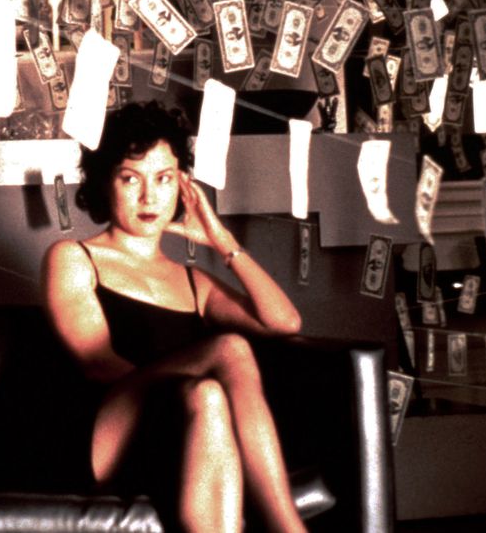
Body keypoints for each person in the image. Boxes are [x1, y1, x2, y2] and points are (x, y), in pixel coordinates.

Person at [42, 101, 306, 533]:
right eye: (131, 179)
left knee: (208, 396)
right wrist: (193, 370)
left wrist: (223, 242)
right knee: (229, 349)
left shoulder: (193, 281)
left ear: (182, 186)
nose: (150, 197)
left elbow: (284, 323)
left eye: (164, 179)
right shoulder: (73, 257)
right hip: (105, 434)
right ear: (105, 183)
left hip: (180, 434)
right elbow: (98, 364)